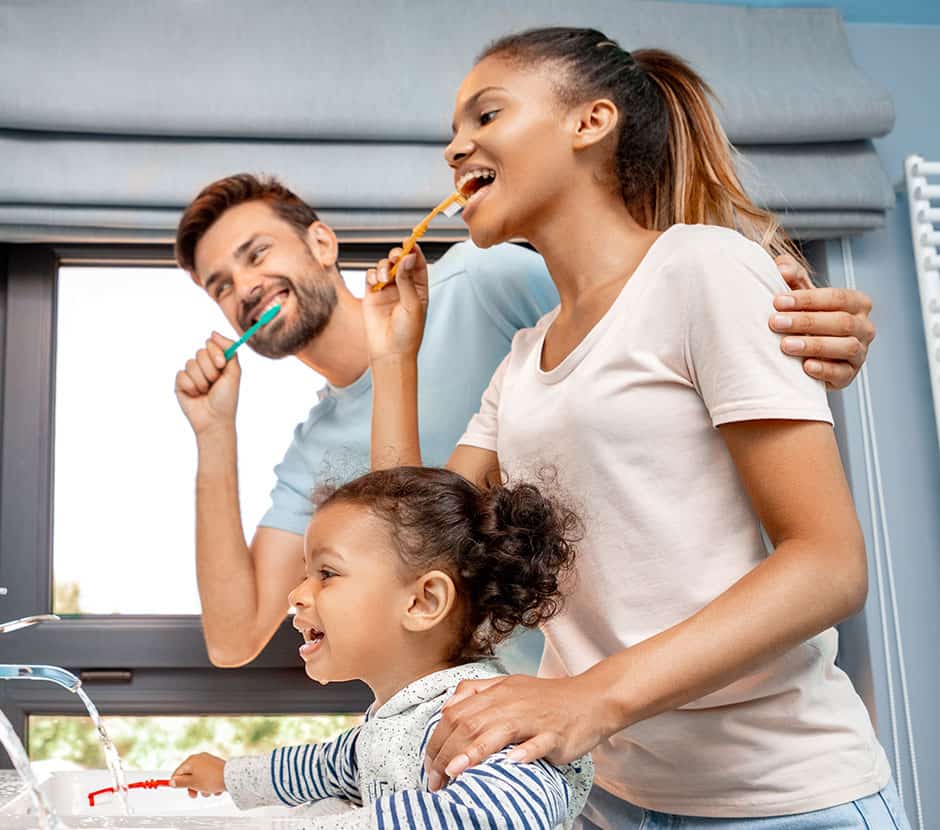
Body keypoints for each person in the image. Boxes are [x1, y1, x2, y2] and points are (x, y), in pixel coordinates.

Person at [362, 27, 908, 829]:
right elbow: (417, 563)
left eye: (486, 115)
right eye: (454, 130)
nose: (456, 147)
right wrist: (393, 357)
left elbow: (828, 566)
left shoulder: (703, 268)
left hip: (782, 799)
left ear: (590, 123)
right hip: (615, 801)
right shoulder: (521, 363)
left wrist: (589, 697)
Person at [173, 174, 876, 673]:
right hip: (553, 726)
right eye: (221, 286)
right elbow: (235, 639)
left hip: (702, 672)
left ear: (322, 244)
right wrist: (213, 434)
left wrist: (765, 298)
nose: (244, 287)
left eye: (256, 253)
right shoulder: (314, 453)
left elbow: (655, 310)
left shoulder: (483, 281)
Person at [169, 466, 594, 829]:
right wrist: (229, 775)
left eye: (327, 573)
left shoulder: (480, 718)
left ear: (422, 602)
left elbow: (501, 812)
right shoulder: (395, 720)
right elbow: (320, 767)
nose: (297, 594)